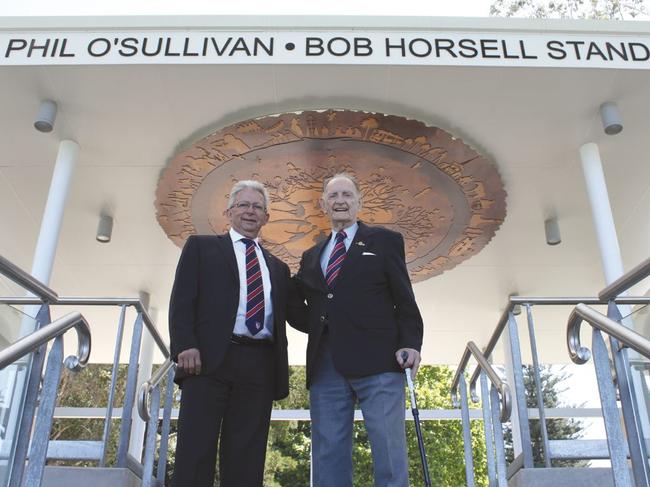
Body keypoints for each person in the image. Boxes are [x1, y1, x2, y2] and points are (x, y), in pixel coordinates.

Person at [294, 173, 424, 487]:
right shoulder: (311, 256)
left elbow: (403, 298)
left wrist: (411, 342)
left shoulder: (384, 241)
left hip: (380, 360)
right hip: (326, 364)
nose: (340, 201)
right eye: (334, 196)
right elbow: (303, 307)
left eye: (347, 195)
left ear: (359, 202)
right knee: (328, 456)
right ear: (323, 204)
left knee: (389, 451)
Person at [168, 180, 301, 486]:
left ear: (266, 217)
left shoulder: (278, 268)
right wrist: (185, 345)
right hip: (207, 361)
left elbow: (301, 315)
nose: (250, 211)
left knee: (247, 458)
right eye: (243, 205)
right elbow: (182, 300)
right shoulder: (201, 247)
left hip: (259, 367)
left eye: (257, 207)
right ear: (229, 211)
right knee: (195, 451)